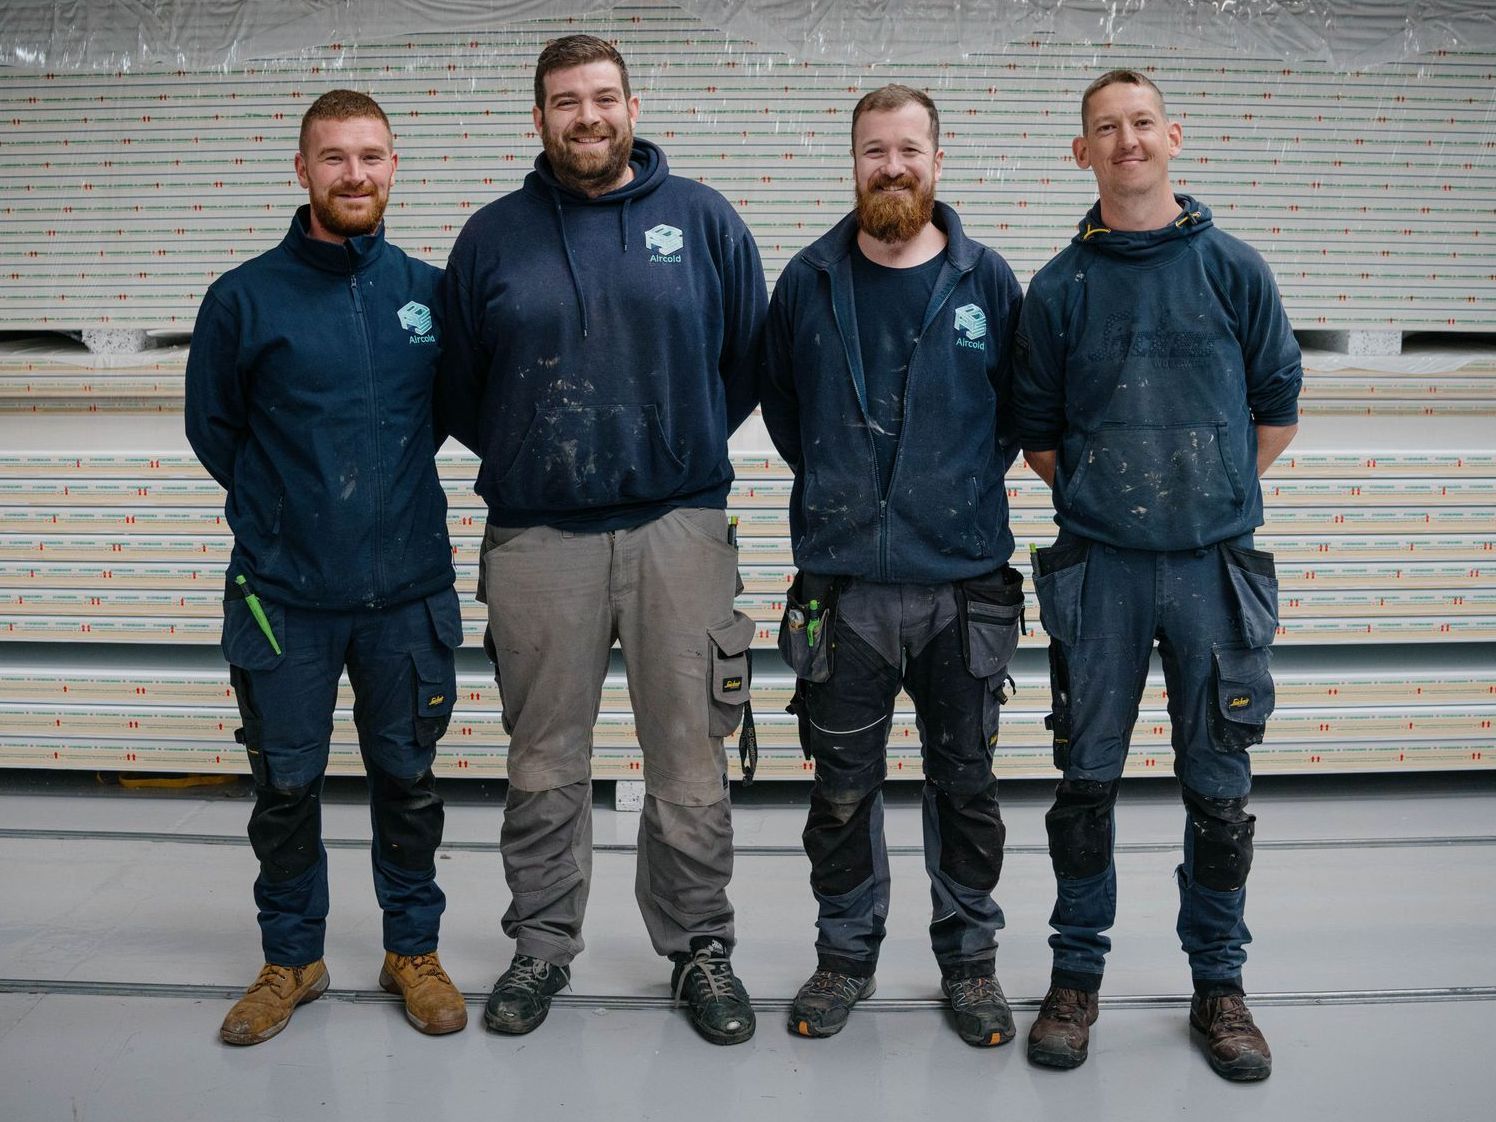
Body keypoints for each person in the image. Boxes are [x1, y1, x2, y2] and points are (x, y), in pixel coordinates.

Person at [438, 34, 766, 1045]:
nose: (586, 116)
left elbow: (747, 360)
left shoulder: (702, 220)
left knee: (689, 763)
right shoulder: (491, 238)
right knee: (542, 763)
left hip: (680, 527)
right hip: (540, 538)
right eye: (564, 101)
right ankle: (541, 945)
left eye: (602, 97)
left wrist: (672, 446)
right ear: (537, 118)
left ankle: (698, 949)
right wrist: (541, 454)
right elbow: (456, 386)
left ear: (631, 105)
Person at [1011, 69, 1302, 1081]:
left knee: (1217, 793)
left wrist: (1202, 498)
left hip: (1213, 573)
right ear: (1080, 152)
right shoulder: (1056, 289)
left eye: (1140, 123)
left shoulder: (1232, 270)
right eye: (1104, 128)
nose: (1125, 140)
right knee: (1082, 785)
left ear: (1171, 135)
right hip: (1098, 573)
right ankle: (1073, 976)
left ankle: (1218, 987)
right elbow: (1037, 437)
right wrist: (1115, 503)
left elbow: (1274, 408)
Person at [185, 89, 466, 1045]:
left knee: (408, 783)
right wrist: (288, 515)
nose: (356, 174)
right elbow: (214, 430)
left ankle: (412, 951)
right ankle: (291, 957)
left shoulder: (430, 294)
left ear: (394, 166)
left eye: (372, 156)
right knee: (286, 788)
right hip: (285, 601)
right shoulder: (243, 298)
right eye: (335, 158)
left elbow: (449, 414)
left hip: (407, 596)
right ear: (302, 170)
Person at [760, 84, 1025, 1046]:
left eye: (910, 148)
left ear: (937, 161)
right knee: (839, 793)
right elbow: (788, 413)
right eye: (875, 150)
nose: (893, 166)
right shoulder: (808, 279)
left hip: (963, 587)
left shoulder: (987, 280)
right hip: (844, 592)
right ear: (855, 162)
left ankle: (970, 962)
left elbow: (1012, 415)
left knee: (967, 788)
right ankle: (845, 958)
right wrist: (853, 490)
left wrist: (933, 490)